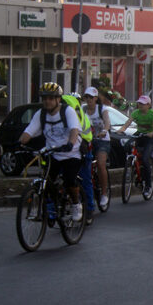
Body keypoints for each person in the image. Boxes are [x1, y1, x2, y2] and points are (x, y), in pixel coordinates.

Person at [20, 83, 83, 222]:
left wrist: (70, 144)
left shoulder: (67, 111)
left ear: (58, 99)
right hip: (52, 153)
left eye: (50, 98)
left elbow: (74, 130)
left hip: (71, 153)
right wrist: (20, 142)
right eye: (44, 98)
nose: (47, 101)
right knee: (46, 182)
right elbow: (29, 132)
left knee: (70, 180)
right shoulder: (41, 114)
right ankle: (52, 208)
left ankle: (75, 203)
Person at [117, 95, 153, 197]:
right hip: (139, 134)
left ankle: (148, 186)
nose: (140, 105)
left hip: (149, 137)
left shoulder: (152, 114)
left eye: (142, 104)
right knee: (127, 146)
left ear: (148, 105)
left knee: (145, 159)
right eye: (139, 103)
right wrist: (122, 129)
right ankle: (131, 165)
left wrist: (152, 133)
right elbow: (128, 123)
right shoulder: (136, 113)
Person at [63, 93, 95, 223]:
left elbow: (78, 131)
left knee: (85, 179)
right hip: (69, 149)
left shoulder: (79, 114)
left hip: (83, 147)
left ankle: (89, 211)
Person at [82, 87, 112, 209]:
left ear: (95, 98)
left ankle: (104, 193)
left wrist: (104, 130)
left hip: (102, 140)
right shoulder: (82, 109)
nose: (88, 99)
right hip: (88, 140)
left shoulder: (102, 109)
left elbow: (107, 122)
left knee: (100, 164)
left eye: (91, 97)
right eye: (86, 97)